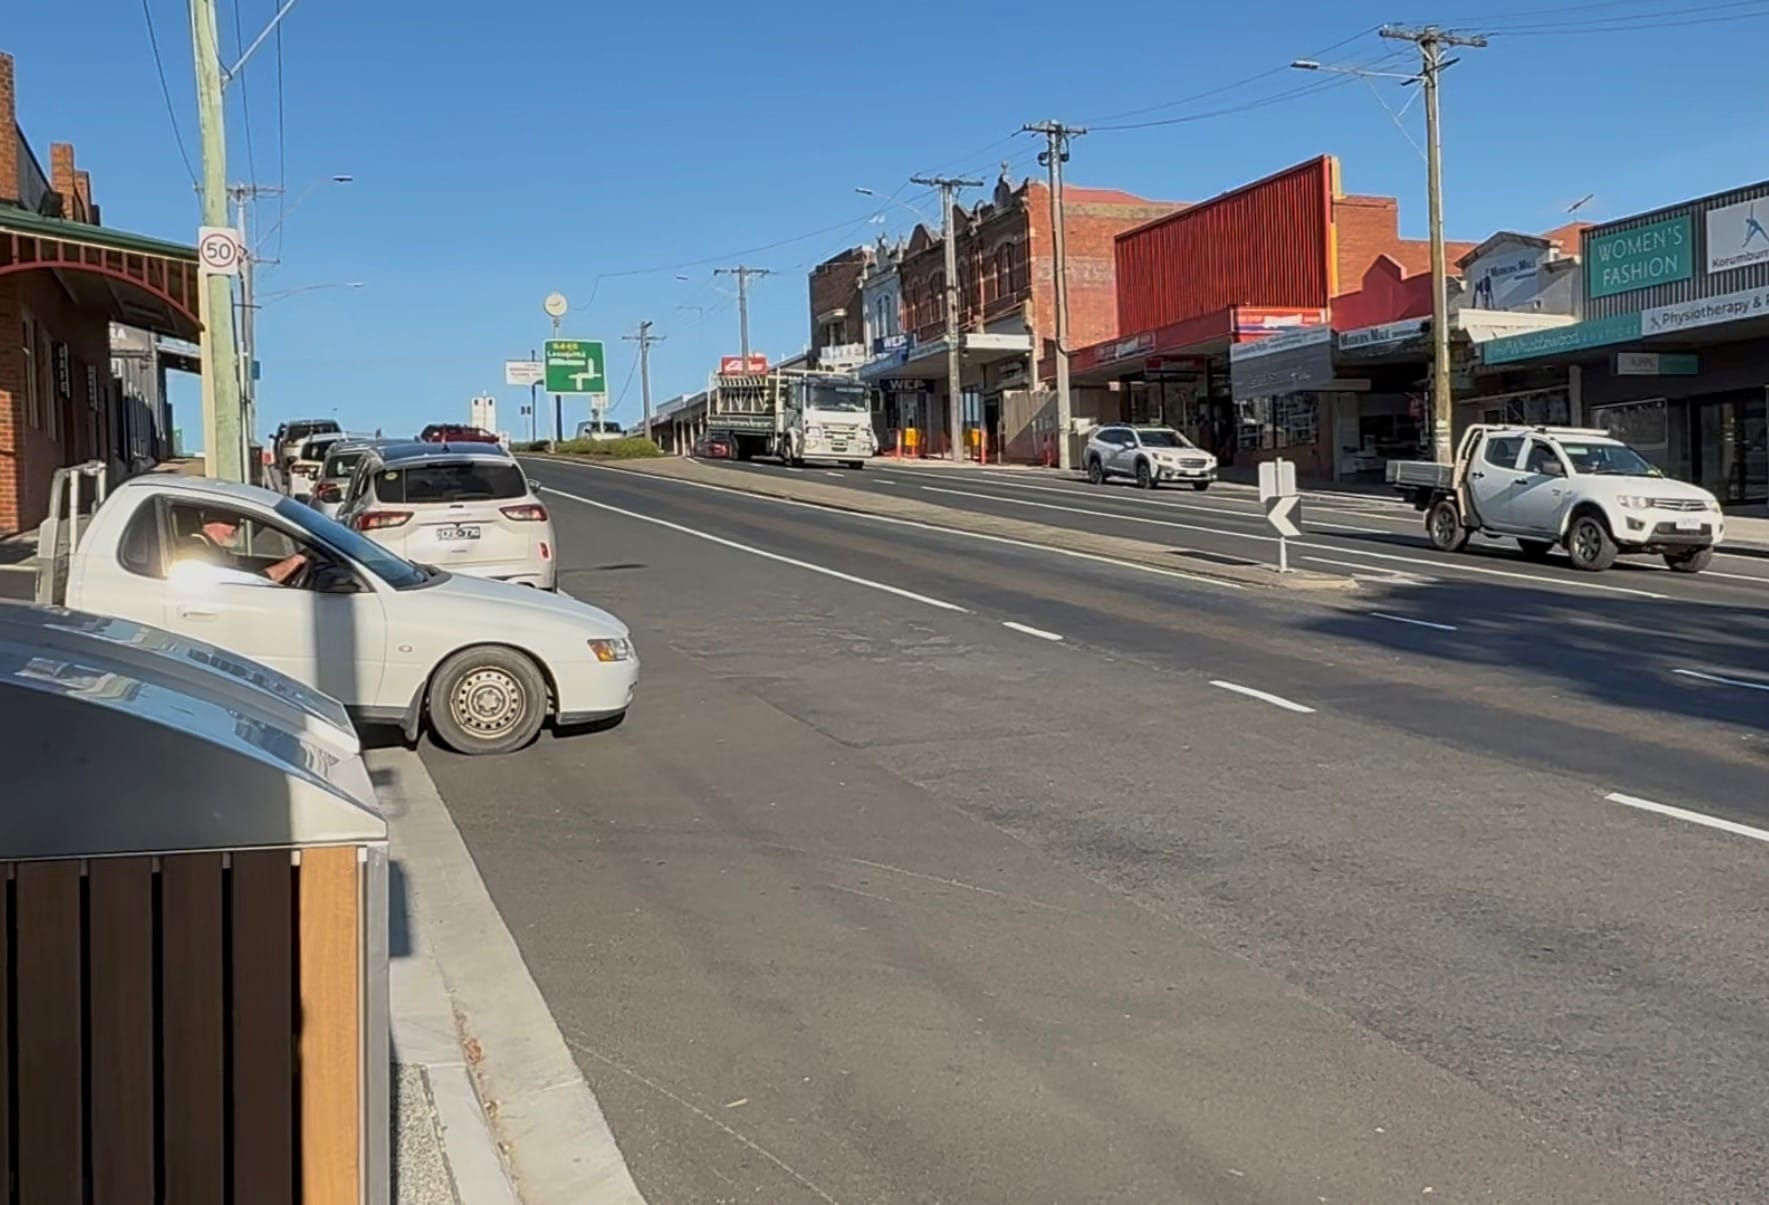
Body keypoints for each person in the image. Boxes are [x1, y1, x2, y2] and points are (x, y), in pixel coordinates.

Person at [179, 512, 308, 584]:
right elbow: (252, 584)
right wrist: (293, 562)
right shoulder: (198, 552)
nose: (234, 528)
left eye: (237, 523)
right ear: (210, 524)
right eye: (228, 523)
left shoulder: (213, 548)